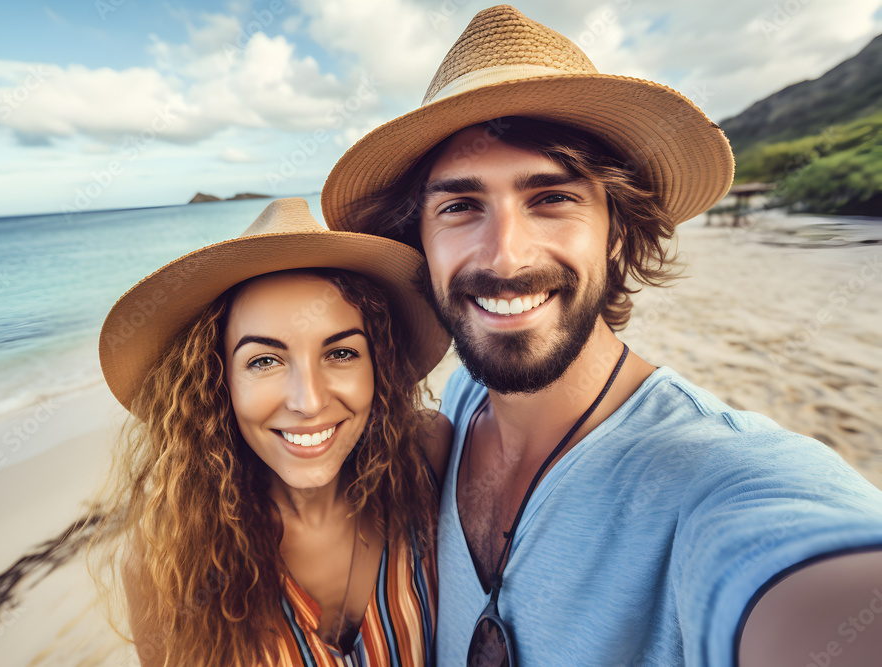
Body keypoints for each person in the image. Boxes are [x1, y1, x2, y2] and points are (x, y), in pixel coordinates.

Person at [320, 6, 882, 666]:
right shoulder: (470, 392)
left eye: (551, 198)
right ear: (420, 238)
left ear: (617, 230)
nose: (504, 257)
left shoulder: (719, 480)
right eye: (461, 206)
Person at [92, 198, 452, 666]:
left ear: (379, 365)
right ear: (216, 382)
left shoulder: (428, 457)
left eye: (341, 353)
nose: (309, 401)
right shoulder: (170, 561)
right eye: (264, 360)